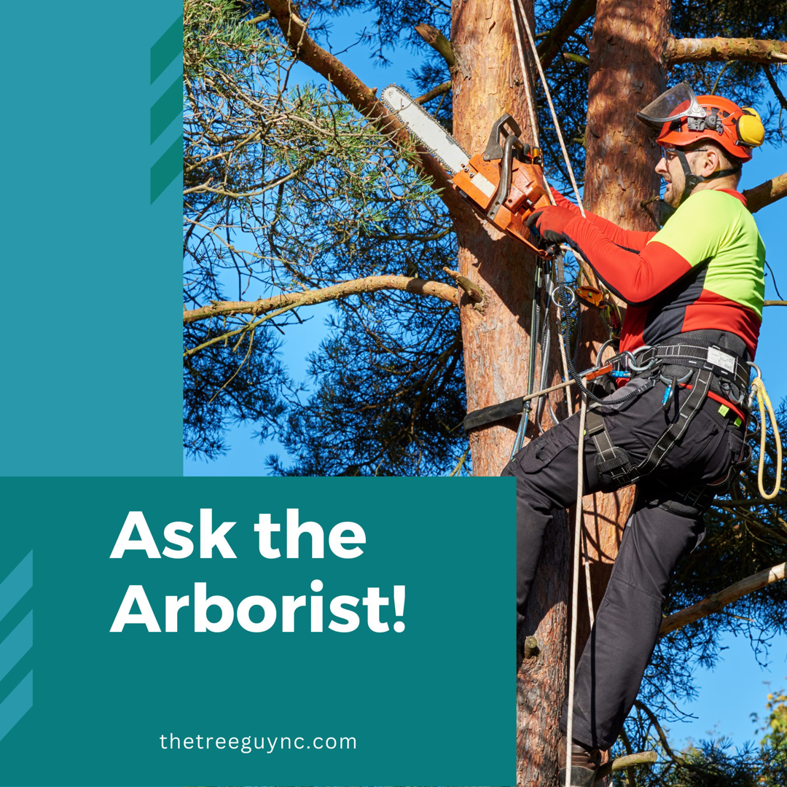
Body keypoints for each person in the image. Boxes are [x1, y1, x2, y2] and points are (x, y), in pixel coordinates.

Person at [505, 83, 767, 786]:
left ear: (708, 158)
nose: (657, 167)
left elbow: (635, 273)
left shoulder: (713, 207)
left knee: (527, 479)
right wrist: (564, 215)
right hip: (714, 430)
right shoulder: (723, 228)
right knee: (638, 583)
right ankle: (582, 749)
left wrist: (567, 225)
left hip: (673, 403)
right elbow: (640, 255)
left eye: (669, 154)